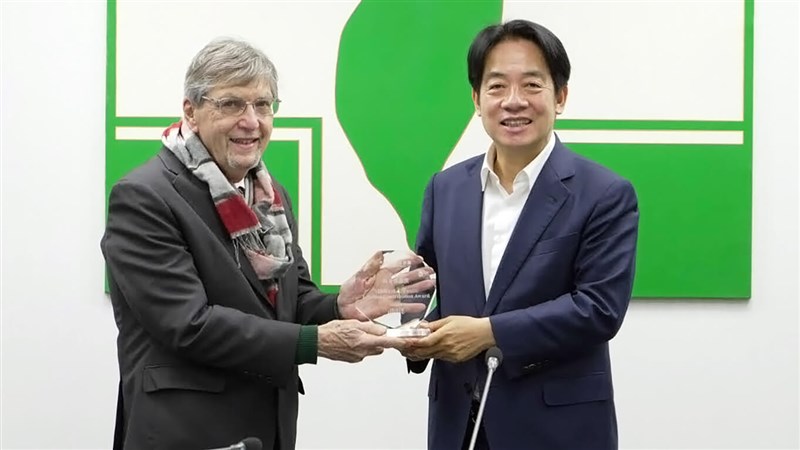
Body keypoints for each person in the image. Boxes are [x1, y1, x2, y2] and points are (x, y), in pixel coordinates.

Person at [101, 38, 434, 450]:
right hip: (185, 432)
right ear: (191, 111)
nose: (252, 121)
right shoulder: (144, 195)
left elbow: (285, 301)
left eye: (263, 105)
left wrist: (338, 307)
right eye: (232, 105)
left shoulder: (269, 193)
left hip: (267, 428)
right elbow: (188, 325)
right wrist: (315, 343)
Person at [404, 20, 640, 450]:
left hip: (556, 428)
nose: (513, 102)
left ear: (560, 96)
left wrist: (488, 332)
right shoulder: (445, 188)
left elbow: (598, 308)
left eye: (532, 85)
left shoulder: (604, 193)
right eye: (496, 87)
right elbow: (425, 286)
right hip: (457, 424)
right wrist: (413, 332)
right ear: (476, 99)